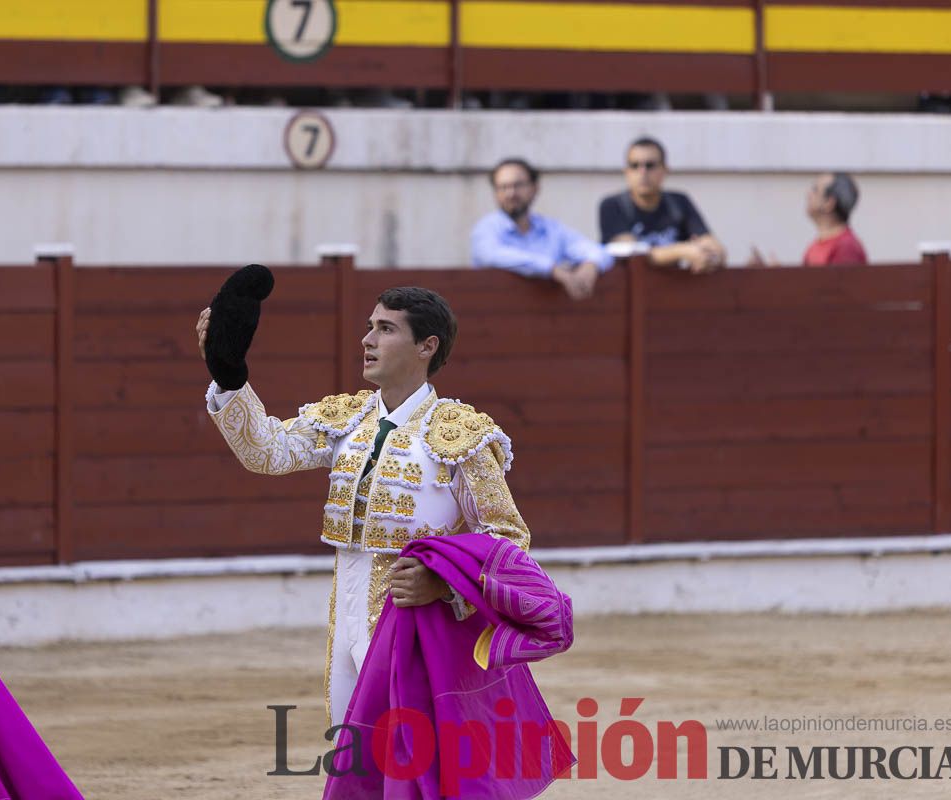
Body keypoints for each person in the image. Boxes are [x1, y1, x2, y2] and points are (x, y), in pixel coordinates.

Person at [197, 280, 530, 726]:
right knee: (350, 740)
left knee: (410, 745)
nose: (367, 340)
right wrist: (229, 376)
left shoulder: (460, 435)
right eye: (370, 326)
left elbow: (508, 538)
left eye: (386, 329)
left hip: (419, 619)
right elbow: (267, 453)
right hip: (346, 607)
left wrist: (446, 586)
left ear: (426, 346)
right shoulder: (347, 419)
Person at [471, 157, 612, 301]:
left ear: (535, 188)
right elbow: (491, 255)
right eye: (503, 187)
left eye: (518, 185)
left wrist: (591, 265)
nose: (511, 193)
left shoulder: (550, 228)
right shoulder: (486, 229)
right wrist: (552, 269)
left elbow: (598, 251)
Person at [598, 136, 726, 273]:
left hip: (674, 285)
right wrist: (682, 251)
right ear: (626, 172)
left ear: (665, 169)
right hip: (630, 284)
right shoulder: (612, 206)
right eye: (634, 165)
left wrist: (708, 257)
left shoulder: (679, 202)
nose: (643, 172)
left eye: (650, 165)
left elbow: (714, 246)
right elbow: (634, 253)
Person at [750, 172, 868, 268]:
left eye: (815, 190)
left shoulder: (846, 248)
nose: (808, 194)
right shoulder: (818, 244)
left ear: (829, 203)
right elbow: (805, 286)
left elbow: (834, 290)